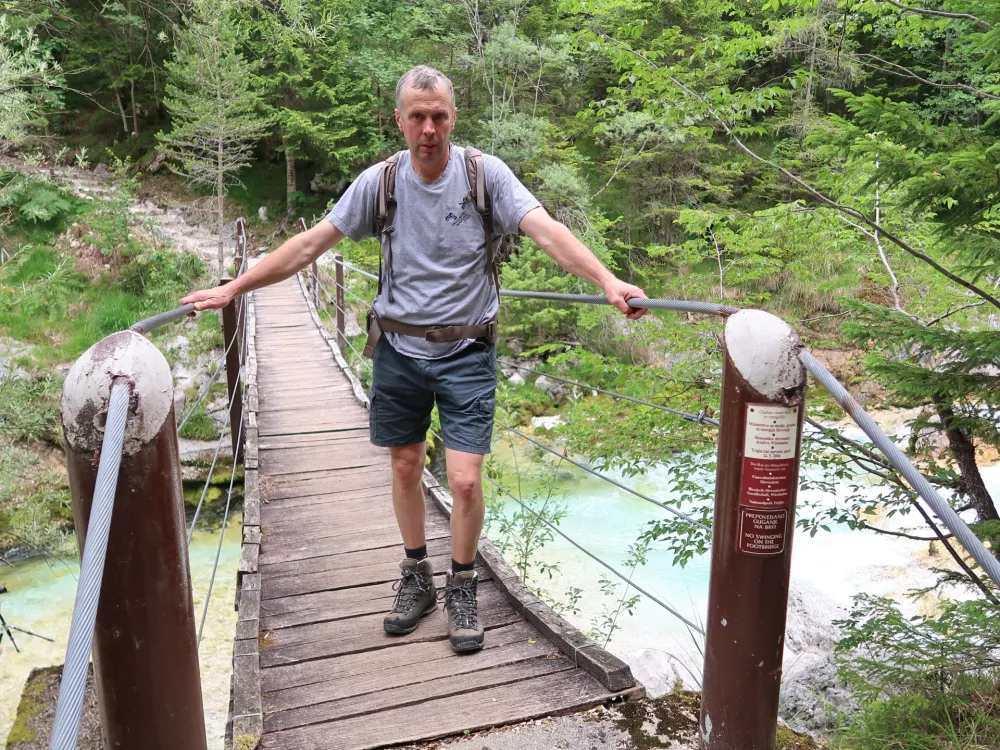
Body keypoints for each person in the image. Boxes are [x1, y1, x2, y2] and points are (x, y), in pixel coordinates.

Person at [181, 65, 648, 653]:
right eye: (418, 117)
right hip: (398, 348)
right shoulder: (381, 183)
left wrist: (607, 281)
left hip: (468, 349)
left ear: (453, 118)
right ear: (400, 120)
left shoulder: (486, 176)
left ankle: (462, 582)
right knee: (404, 466)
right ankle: (415, 575)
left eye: (440, 116)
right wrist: (234, 289)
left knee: (465, 480)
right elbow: (308, 245)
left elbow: (546, 231)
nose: (430, 128)